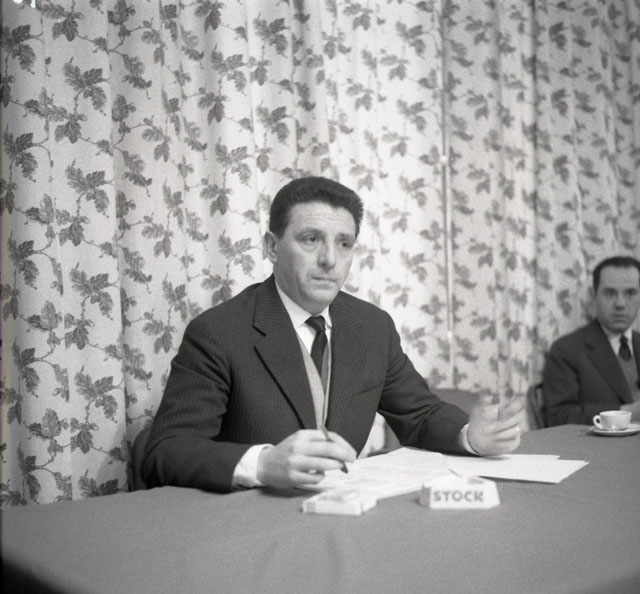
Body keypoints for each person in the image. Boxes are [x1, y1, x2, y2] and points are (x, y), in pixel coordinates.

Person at [141, 177, 522, 493]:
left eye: (344, 243)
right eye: (311, 239)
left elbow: (419, 414)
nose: (329, 259)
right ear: (272, 247)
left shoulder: (372, 327)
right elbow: (166, 452)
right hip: (250, 521)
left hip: (345, 511)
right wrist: (264, 464)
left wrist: (469, 436)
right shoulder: (218, 332)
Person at [543, 256, 640, 426]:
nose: (620, 304)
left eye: (630, 293)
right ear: (594, 297)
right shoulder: (566, 350)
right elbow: (558, 417)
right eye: (610, 293)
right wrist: (628, 413)